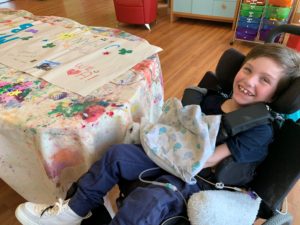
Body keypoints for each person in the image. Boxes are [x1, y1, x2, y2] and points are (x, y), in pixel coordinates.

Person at [15, 44, 300, 225]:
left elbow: (208, 159)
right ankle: (74, 211)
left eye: (264, 80)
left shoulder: (258, 130)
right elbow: (178, 123)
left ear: (277, 94)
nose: (249, 81)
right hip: (177, 158)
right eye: (247, 69)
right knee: (117, 155)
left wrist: (156, 144)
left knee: (152, 198)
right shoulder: (213, 98)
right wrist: (155, 136)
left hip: (202, 179)